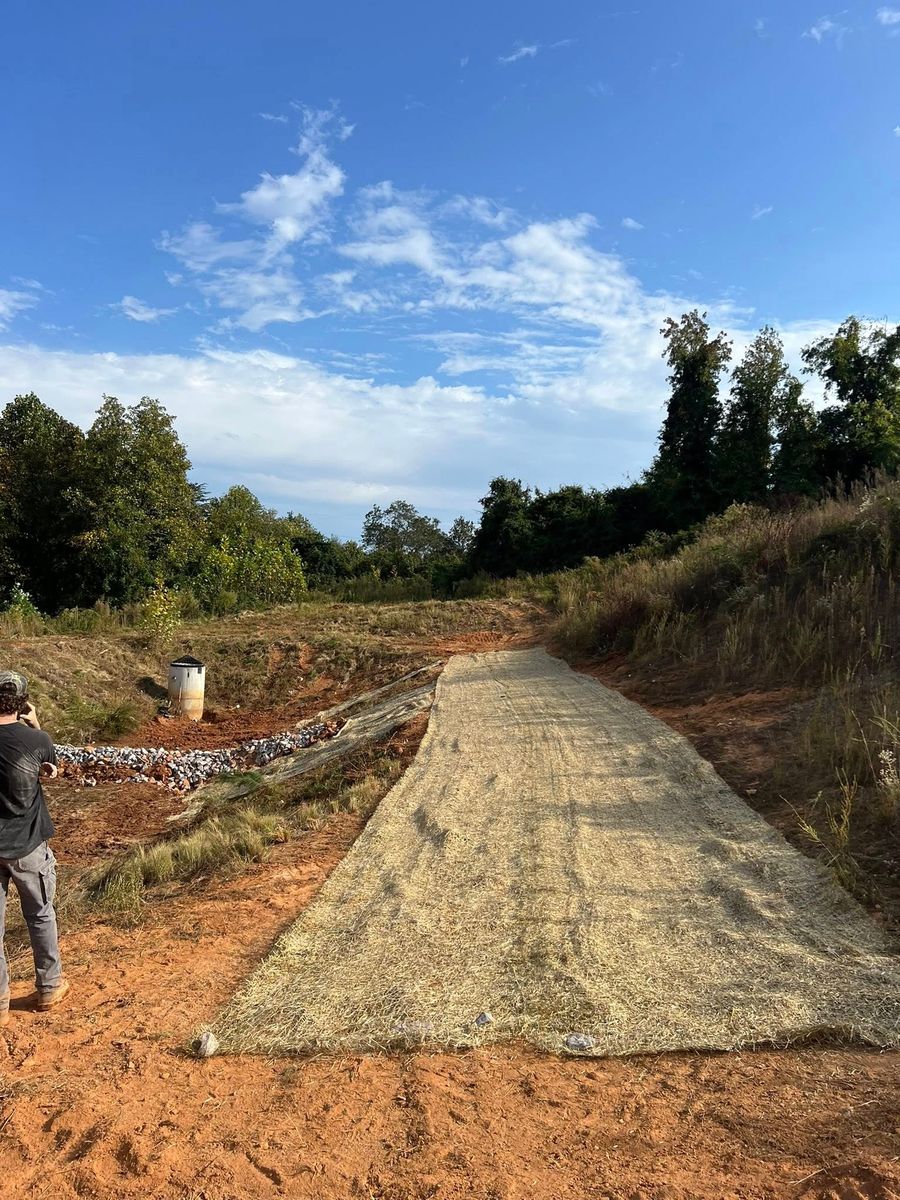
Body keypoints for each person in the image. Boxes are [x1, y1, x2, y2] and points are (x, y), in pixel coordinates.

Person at [0, 670, 68, 1027]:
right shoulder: (36, 740)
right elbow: (53, 769)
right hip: (27, 846)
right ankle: (49, 987)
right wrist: (37, 723)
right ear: (22, 703)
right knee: (40, 914)